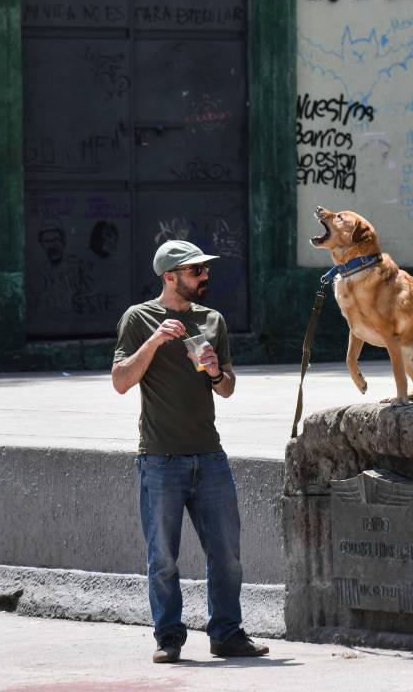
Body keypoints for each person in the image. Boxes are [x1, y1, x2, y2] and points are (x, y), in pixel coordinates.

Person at [111, 239, 268, 663]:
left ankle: (227, 635)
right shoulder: (138, 318)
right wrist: (154, 341)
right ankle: (168, 638)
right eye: (196, 271)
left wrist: (216, 372)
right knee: (163, 558)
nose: (204, 276)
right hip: (160, 458)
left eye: (205, 270)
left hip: (210, 457)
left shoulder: (212, 319)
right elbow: (121, 381)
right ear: (170, 277)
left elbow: (228, 388)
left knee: (227, 556)